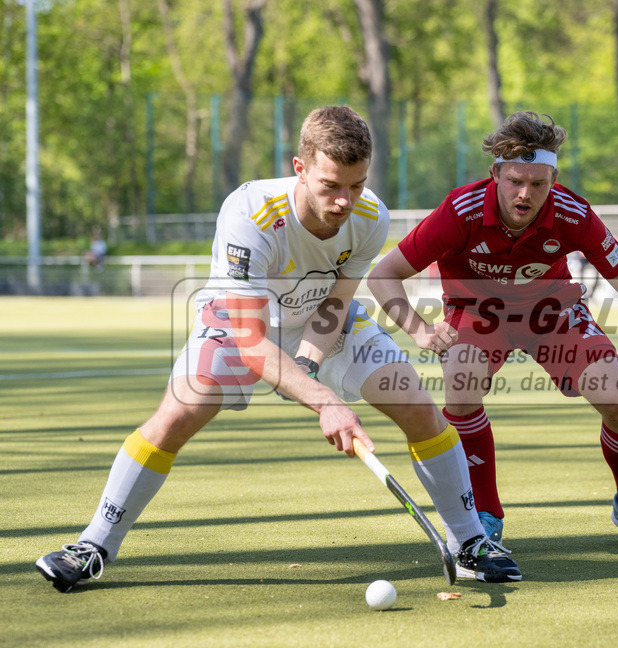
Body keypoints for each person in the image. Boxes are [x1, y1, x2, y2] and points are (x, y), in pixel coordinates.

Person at [35, 106, 520, 592]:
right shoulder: (251, 214)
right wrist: (325, 400)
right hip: (240, 322)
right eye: (331, 186)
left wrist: (307, 368)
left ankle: (470, 544)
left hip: (323, 321)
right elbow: (249, 342)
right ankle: (94, 545)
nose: (345, 201)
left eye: (356, 185)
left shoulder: (370, 215)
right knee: (179, 413)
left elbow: (336, 303)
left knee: (415, 403)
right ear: (300, 168)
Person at [367, 111, 618, 553]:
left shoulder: (573, 214)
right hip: (478, 313)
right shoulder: (458, 212)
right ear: (495, 173)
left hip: (552, 313)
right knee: (462, 378)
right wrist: (419, 329)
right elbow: (383, 275)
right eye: (516, 180)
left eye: (539, 184)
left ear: (553, 179)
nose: (526, 194)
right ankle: (485, 514)